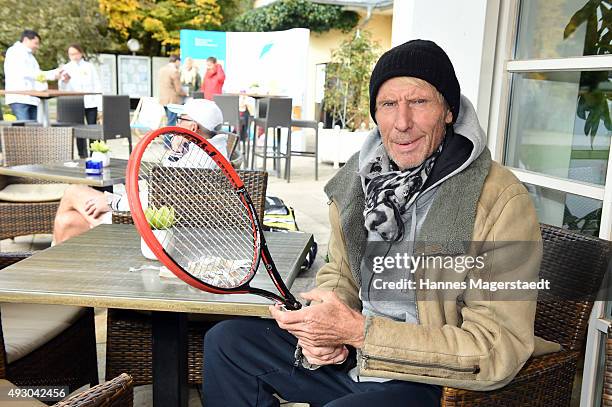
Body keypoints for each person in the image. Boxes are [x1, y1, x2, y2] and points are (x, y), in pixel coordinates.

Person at [202, 40, 552, 406]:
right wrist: (320, 333)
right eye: (388, 104)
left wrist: (359, 332)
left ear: (448, 111)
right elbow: (340, 273)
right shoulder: (360, 180)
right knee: (228, 344)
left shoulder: (499, 200)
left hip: (430, 381)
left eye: (418, 102)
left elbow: (495, 348)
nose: (402, 122)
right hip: (357, 360)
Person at [52, 99, 228, 245]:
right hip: (160, 221)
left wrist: (114, 202)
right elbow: (165, 189)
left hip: (145, 226)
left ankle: (50, 270)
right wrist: (176, 151)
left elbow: (159, 196)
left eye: (180, 119)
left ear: (192, 128)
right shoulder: (209, 152)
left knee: (73, 191)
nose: (175, 123)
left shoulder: (195, 161)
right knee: (67, 221)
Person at [3, 30, 60, 121]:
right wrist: (51, 75)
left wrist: (54, 73)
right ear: (26, 40)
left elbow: (37, 75)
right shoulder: (15, 52)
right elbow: (28, 73)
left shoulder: (29, 55)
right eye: (35, 43)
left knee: (34, 130)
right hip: (20, 98)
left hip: (32, 97)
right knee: (25, 129)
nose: (37, 46)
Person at [58, 43, 103, 157]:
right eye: (70, 54)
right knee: (79, 129)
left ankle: (94, 154)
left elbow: (96, 85)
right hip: (75, 103)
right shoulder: (66, 67)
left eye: (75, 53)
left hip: (90, 101)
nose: (73, 56)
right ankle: (82, 155)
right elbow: (62, 88)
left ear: (81, 53)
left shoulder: (89, 66)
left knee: (92, 128)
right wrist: (64, 81)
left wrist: (100, 105)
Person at [159, 55, 187, 126]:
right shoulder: (174, 71)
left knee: (168, 119)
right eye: (179, 62)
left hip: (163, 99)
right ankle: (168, 137)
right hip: (172, 100)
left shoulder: (162, 69)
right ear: (177, 61)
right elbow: (178, 89)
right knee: (172, 121)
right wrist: (186, 93)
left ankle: (167, 136)